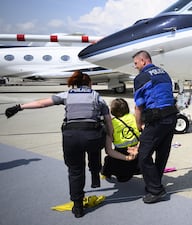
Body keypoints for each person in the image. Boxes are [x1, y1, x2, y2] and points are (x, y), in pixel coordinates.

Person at [4, 71, 116, 218]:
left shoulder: (67, 95)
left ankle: (77, 206)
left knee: (75, 170)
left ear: (74, 83)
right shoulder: (97, 97)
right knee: (95, 144)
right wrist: (111, 136)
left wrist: (20, 107)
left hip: (71, 137)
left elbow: (41, 103)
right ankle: (95, 174)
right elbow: (108, 121)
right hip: (92, 138)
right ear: (90, 84)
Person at [132, 50, 178, 204]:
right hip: (171, 118)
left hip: (157, 120)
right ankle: (155, 184)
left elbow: (139, 107)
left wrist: (139, 126)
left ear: (144, 61)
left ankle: (156, 190)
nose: (135, 67)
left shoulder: (141, 77)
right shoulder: (164, 73)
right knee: (162, 154)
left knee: (143, 156)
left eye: (136, 63)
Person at [101, 98, 141, 182]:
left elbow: (109, 150)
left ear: (112, 111)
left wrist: (127, 158)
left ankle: (105, 173)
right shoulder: (133, 117)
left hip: (120, 153)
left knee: (109, 160)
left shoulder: (111, 123)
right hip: (136, 151)